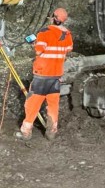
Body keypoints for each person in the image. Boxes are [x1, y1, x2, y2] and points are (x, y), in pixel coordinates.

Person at [16, 7, 73, 140]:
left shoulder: (44, 32)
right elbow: (68, 49)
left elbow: (38, 51)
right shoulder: (68, 34)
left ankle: (25, 132)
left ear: (53, 17)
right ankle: (51, 132)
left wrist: (34, 44)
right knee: (53, 105)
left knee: (32, 104)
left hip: (42, 75)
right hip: (56, 76)